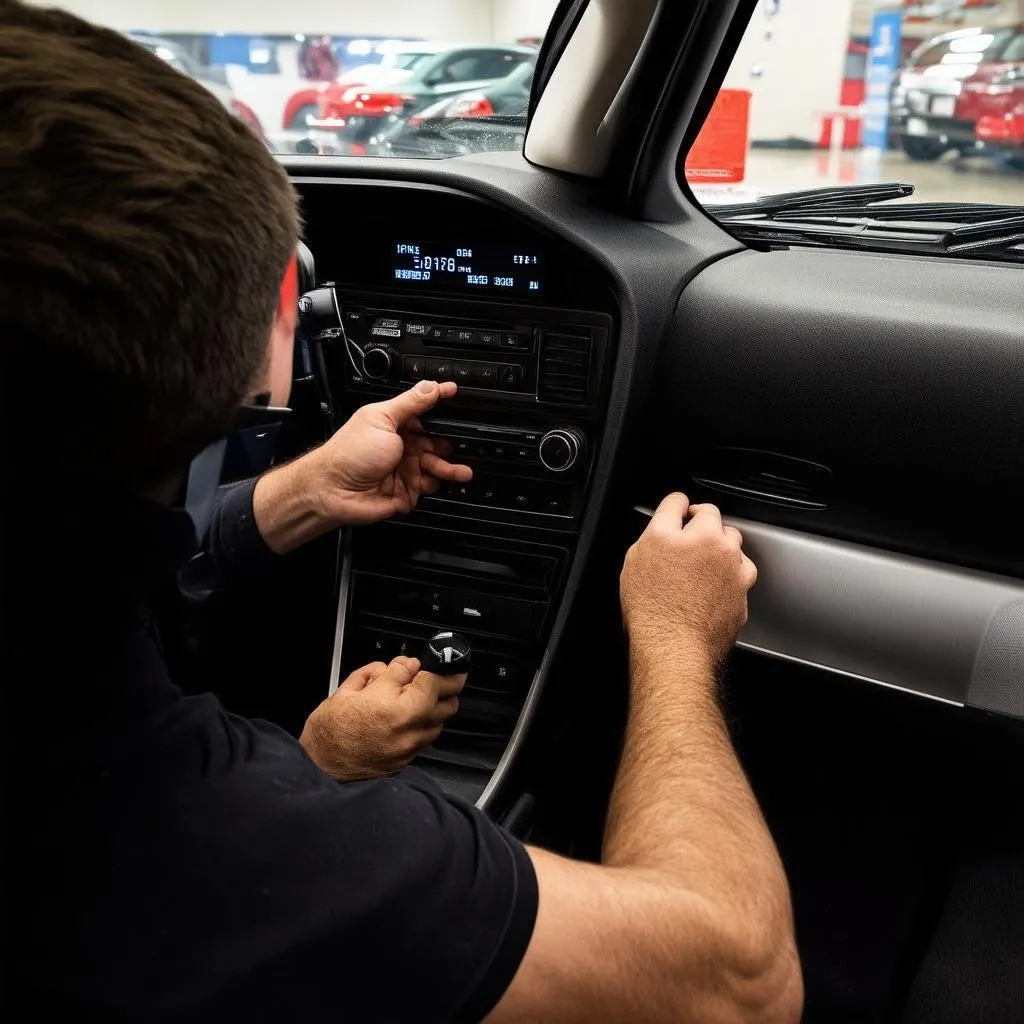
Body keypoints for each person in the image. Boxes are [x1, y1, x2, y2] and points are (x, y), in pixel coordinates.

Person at [1, 4, 802, 1023]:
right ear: (278, 332)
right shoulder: (151, 813)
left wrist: (297, 496)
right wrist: (675, 636)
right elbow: (736, 981)